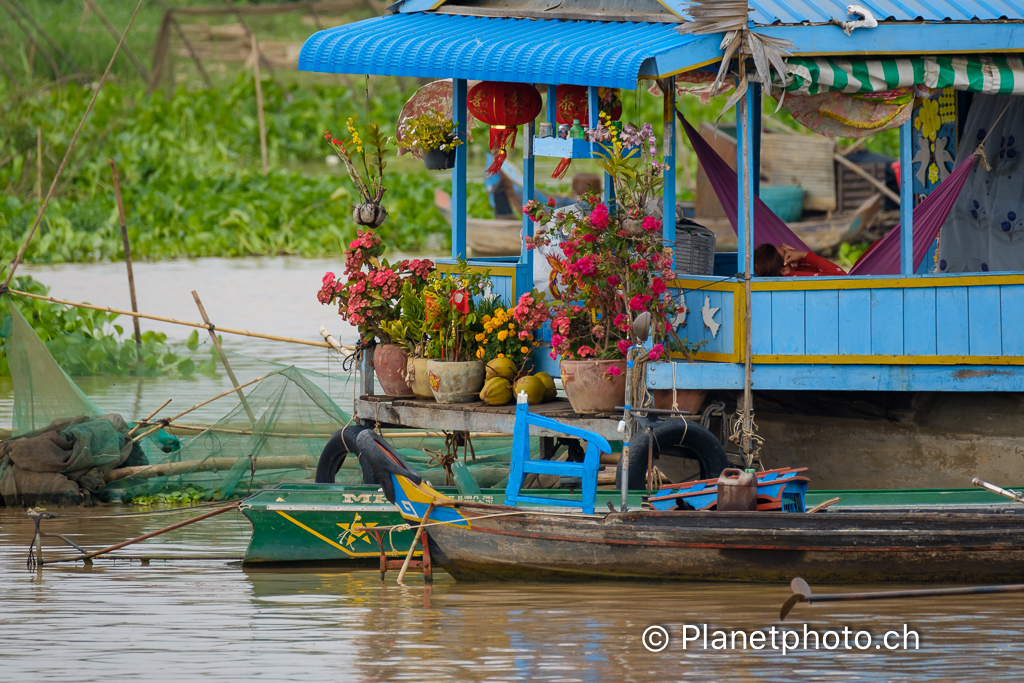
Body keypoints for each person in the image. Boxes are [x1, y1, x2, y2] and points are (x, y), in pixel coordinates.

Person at [753, 243, 847, 277]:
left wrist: (800, 259)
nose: (788, 250)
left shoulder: (796, 270)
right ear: (784, 270)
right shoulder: (793, 276)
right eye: (785, 252)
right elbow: (841, 277)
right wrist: (803, 255)